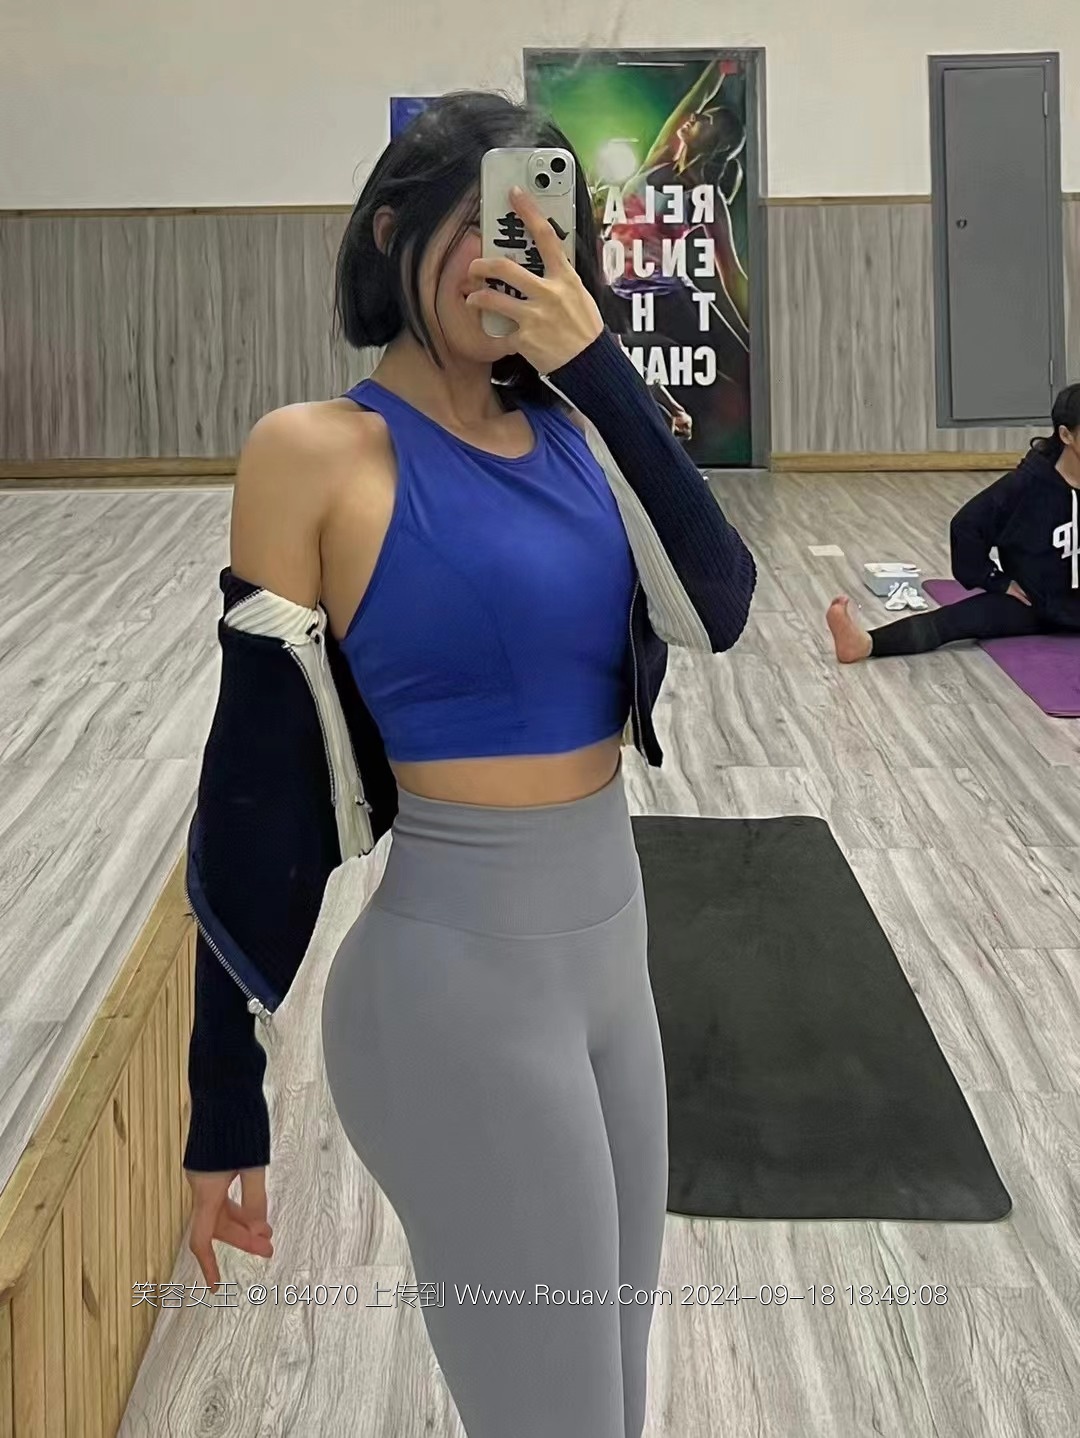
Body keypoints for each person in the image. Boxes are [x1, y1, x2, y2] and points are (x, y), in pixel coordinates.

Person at [180, 92, 756, 1438]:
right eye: (493, 227)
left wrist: (596, 366)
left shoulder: (583, 433)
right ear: (396, 233)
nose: (520, 260)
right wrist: (222, 1099)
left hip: (614, 973)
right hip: (453, 997)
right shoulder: (315, 453)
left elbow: (718, 602)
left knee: (612, 1399)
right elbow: (250, 783)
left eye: (546, 234)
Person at [827, 383, 1080, 662]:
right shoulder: (1027, 485)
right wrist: (996, 581)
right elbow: (967, 526)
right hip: (1035, 603)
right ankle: (865, 643)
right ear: (1066, 435)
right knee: (961, 619)